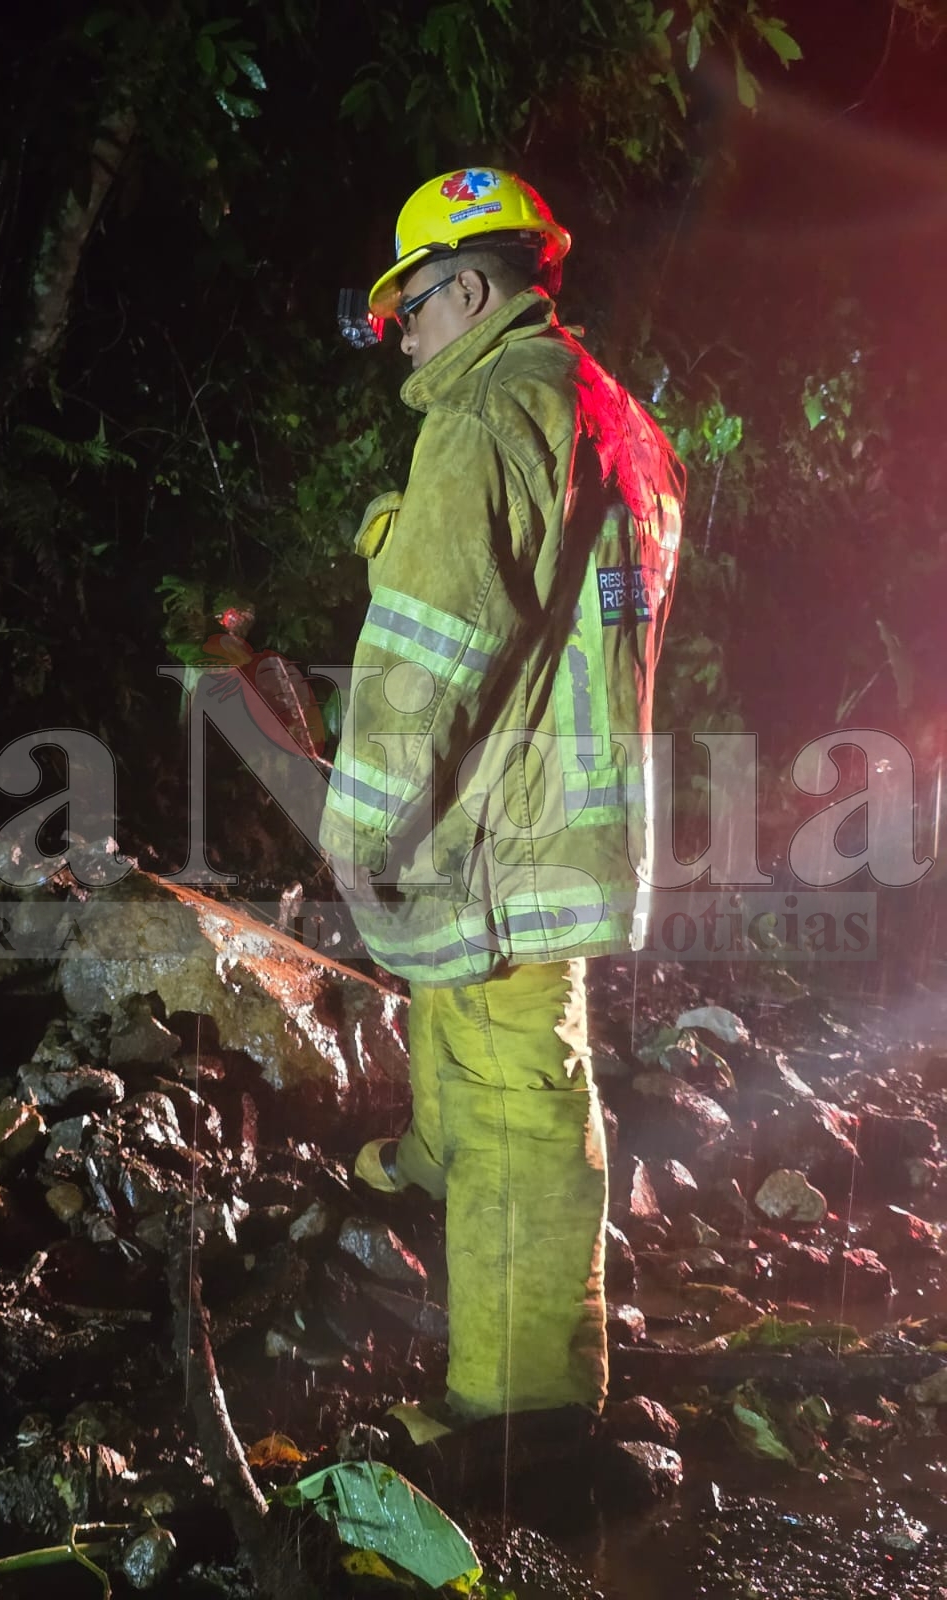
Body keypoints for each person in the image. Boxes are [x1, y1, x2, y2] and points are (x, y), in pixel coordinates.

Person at [319, 168, 684, 1433]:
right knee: (467, 1015)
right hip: (554, 809)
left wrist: (358, 829)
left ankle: (523, 1421)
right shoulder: (606, 410)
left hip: (503, 829)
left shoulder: (486, 415)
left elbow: (425, 652)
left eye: (406, 307)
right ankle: (430, 1160)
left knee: (520, 1095)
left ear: (469, 288)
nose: (398, 337)